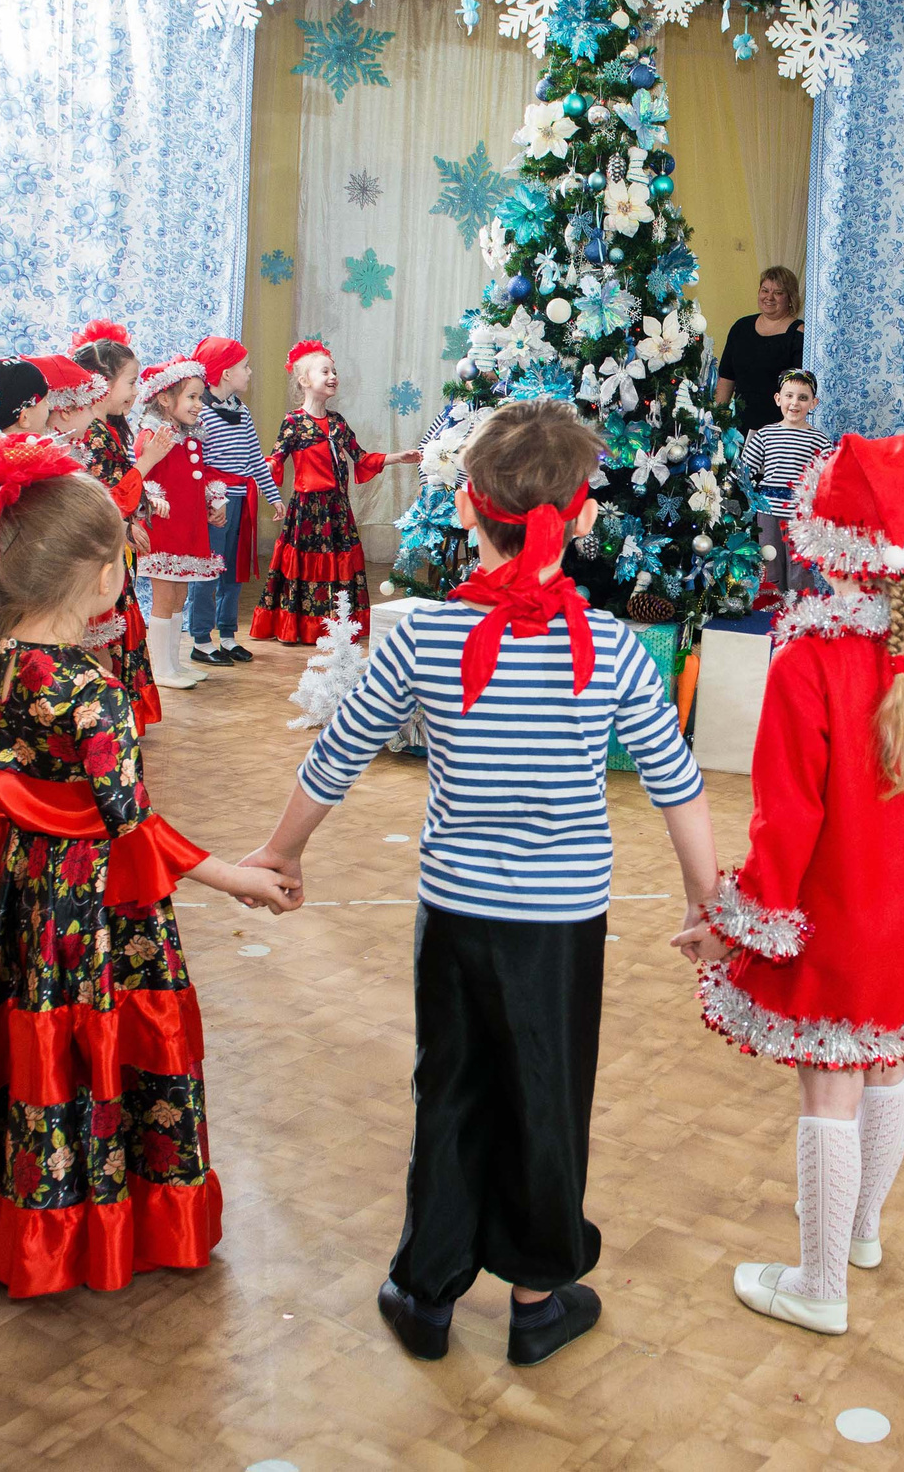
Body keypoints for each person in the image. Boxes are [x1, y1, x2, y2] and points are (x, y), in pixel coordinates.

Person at [241, 400, 719, 1369]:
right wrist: (705, 897)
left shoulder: (422, 637)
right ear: (581, 517)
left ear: (468, 506)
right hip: (561, 922)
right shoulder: (616, 649)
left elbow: (335, 754)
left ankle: (427, 1289)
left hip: (455, 913)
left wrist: (280, 852)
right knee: (546, 1091)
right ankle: (540, 1293)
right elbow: (677, 781)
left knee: (450, 1087)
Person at [0, 435, 296, 1299]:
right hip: (96, 917)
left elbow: (4, 792)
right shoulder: (90, 690)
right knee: (102, 1046)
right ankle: (106, 1230)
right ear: (103, 576)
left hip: (30, 907)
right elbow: (130, 825)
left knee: (43, 1052)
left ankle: (35, 1230)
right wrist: (234, 876)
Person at [678, 432, 904, 1337]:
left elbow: (789, 816)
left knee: (830, 1089)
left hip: (836, 908)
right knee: (887, 1061)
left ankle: (819, 1285)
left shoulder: (808, 659)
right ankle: (860, 1234)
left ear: (823, 539)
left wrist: (746, 917)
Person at [251, 339, 419, 645]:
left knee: (338, 565)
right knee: (305, 564)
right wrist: (249, 469)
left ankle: (335, 626)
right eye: (325, 371)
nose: (333, 376)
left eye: (334, 371)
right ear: (304, 381)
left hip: (337, 510)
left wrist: (398, 458)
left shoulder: (338, 423)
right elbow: (273, 461)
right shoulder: (293, 422)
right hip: (306, 511)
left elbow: (362, 458)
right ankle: (300, 627)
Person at [72, 328, 170, 730]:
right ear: (101, 383)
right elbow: (106, 500)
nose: (135, 390)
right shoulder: (93, 435)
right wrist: (146, 463)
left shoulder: (107, 430)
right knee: (103, 641)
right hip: (97, 558)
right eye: (130, 381)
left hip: (113, 552)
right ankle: (103, 721)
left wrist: (131, 524)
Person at [188, 337, 282, 667]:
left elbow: (256, 458)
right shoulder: (201, 414)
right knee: (207, 571)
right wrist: (212, 499)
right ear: (226, 373)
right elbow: (195, 464)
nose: (250, 371)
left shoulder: (241, 410)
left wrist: (273, 496)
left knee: (234, 572)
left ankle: (227, 636)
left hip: (241, 502)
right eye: (245, 366)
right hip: (214, 504)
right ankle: (200, 638)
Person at [133, 359, 220, 692]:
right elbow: (142, 472)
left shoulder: (189, 436)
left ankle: (173, 662)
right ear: (166, 400)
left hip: (188, 526)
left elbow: (196, 477)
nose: (200, 405)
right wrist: (152, 498)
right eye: (193, 397)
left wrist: (214, 499)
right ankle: (161, 667)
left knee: (180, 594)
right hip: (165, 528)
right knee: (164, 597)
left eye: (201, 397)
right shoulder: (153, 434)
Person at [739, 369, 832, 606]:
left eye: (803, 398)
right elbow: (744, 470)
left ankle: (801, 614)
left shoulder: (819, 440)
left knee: (800, 565)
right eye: (789, 396)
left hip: (802, 516)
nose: (795, 403)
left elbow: (830, 478)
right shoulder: (765, 434)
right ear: (778, 399)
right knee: (769, 561)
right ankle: (769, 612)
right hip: (768, 512)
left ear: (814, 403)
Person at [713, 265, 806, 436]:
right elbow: (727, 378)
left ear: (790, 298)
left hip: (781, 431)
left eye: (778, 293)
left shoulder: (799, 334)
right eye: (765, 290)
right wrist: (718, 421)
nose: (769, 297)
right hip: (739, 430)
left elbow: (801, 390)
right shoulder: (741, 328)